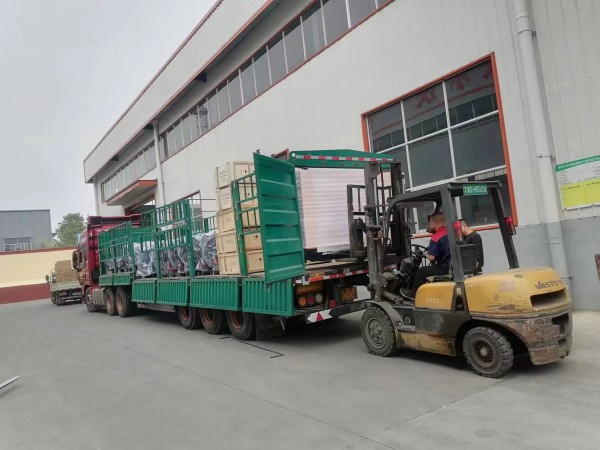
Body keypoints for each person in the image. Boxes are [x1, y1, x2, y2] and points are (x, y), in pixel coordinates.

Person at [401, 212, 451, 299]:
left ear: (435, 222)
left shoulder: (436, 237)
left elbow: (431, 258)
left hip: (443, 269)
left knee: (421, 271)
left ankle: (414, 294)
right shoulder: (449, 233)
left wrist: (423, 253)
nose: (429, 224)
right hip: (451, 267)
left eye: (430, 222)